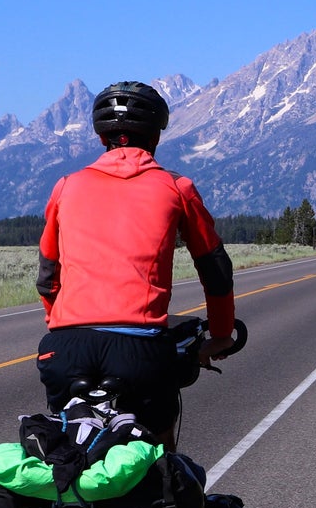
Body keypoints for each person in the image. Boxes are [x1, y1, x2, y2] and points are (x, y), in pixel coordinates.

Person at [34, 81, 237, 445]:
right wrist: (221, 335)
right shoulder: (177, 187)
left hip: (65, 347)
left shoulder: (66, 186)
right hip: (139, 349)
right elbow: (215, 270)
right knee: (156, 454)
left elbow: (48, 276)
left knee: (67, 445)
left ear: (101, 139)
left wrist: (63, 323)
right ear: (156, 137)